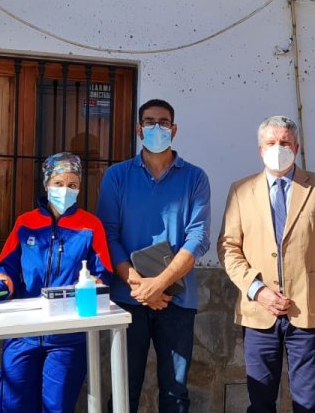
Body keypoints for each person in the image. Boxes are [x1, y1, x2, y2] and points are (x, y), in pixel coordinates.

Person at [217, 115, 315, 413]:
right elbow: (228, 248)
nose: (278, 148)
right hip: (259, 312)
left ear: (296, 147)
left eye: (284, 142)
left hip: (308, 310)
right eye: (271, 143)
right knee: (261, 402)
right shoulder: (241, 190)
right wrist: (256, 289)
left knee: (308, 403)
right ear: (260, 150)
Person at [0, 152, 113, 413]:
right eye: (59, 183)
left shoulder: (91, 226)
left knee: (56, 408)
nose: (65, 190)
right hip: (22, 333)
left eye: (72, 184)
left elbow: (102, 273)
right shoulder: (25, 223)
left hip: (67, 337)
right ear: (47, 184)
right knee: (13, 406)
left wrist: (92, 285)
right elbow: (7, 267)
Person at [95, 99, 211, 413]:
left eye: (163, 122)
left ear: (174, 130)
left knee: (175, 394)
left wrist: (158, 284)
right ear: (139, 129)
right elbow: (108, 234)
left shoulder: (195, 178)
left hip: (177, 300)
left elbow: (198, 239)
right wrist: (138, 284)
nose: (156, 127)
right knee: (123, 391)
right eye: (149, 122)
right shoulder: (117, 176)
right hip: (127, 299)